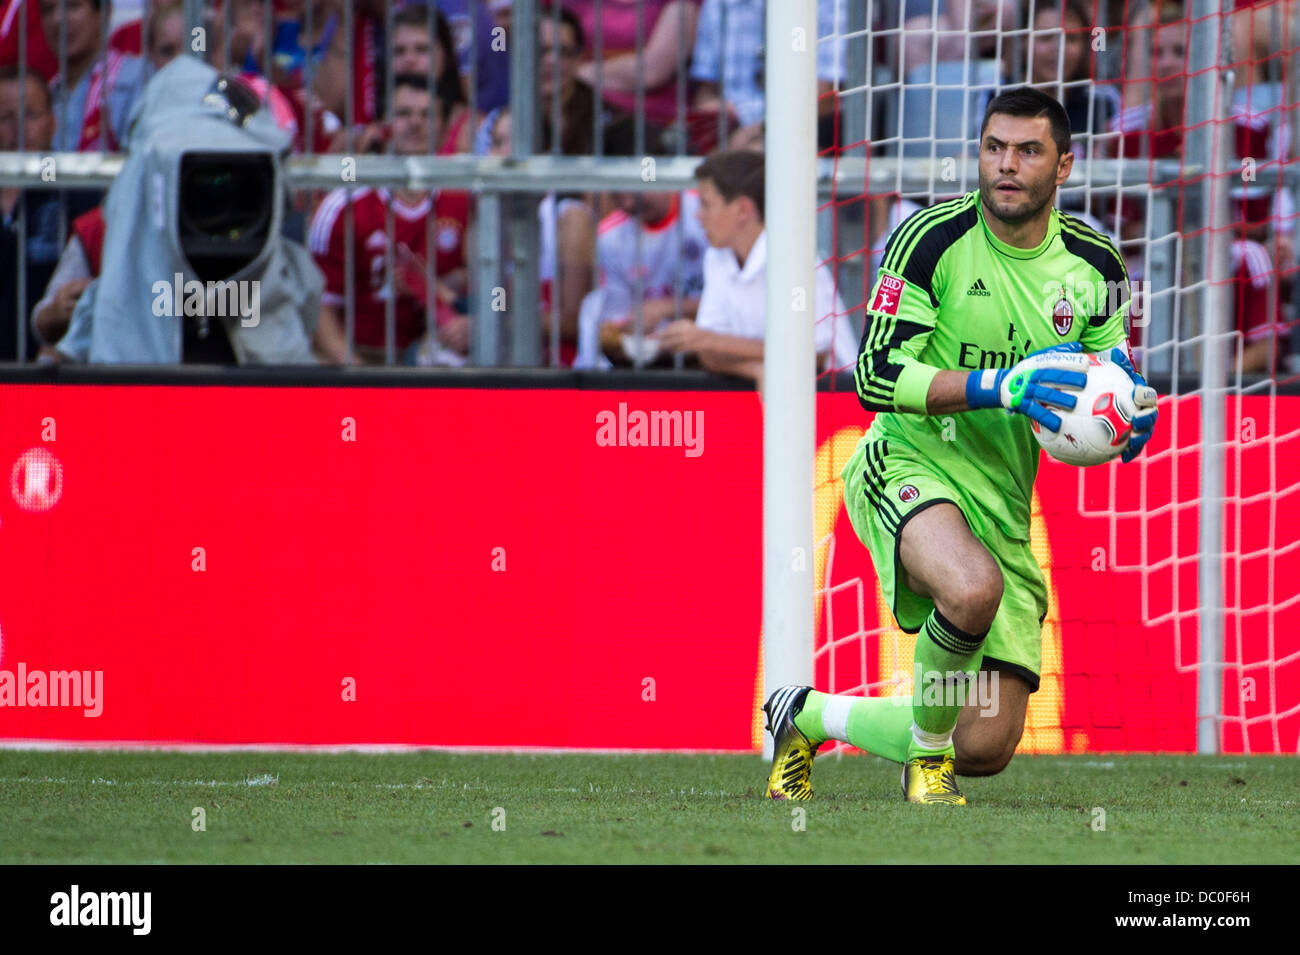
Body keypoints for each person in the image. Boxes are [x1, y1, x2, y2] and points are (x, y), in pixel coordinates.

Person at [762, 88, 1159, 805]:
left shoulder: (1096, 266)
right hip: (907, 460)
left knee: (981, 744)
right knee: (972, 587)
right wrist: (998, 386)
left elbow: (1112, 367)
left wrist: (1132, 407)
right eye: (994, 148)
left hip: (1001, 497)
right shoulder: (930, 239)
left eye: (1028, 151)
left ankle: (808, 714)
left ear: (1063, 166)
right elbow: (874, 374)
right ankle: (925, 771)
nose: (1006, 165)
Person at [656, 149, 858, 388]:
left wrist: (707, 339)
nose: (698, 215)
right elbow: (708, 354)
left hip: (837, 400)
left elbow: (812, 354)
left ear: (742, 210)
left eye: (706, 204)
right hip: (770, 395)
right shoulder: (717, 258)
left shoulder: (795, 261)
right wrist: (754, 369)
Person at [308, 73, 470, 365]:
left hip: (438, 357)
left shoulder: (465, 200)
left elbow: (491, 281)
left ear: (446, 128)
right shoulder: (343, 207)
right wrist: (359, 375)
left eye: (427, 114)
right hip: (355, 357)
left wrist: (471, 318)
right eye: (403, 113)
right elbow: (320, 310)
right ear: (383, 127)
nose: (416, 122)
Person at [40, 0, 146, 151]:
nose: (58, 19)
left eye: (72, 6)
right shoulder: (43, 95)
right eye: (48, 9)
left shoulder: (139, 78)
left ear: (104, 12)